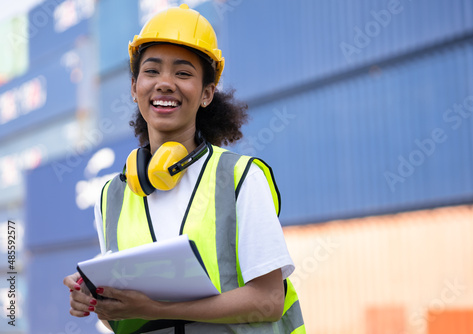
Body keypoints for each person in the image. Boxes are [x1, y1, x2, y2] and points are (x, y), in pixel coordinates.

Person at [63, 4, 305, 334]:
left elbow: (269, 301)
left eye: (183, 73)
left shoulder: (240, 178)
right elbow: (121, 317)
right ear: (134, 88)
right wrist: (93, 299)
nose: (165, 83)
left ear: (207, 94)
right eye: (151, 71)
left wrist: (157, 308)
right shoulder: (110, 197)